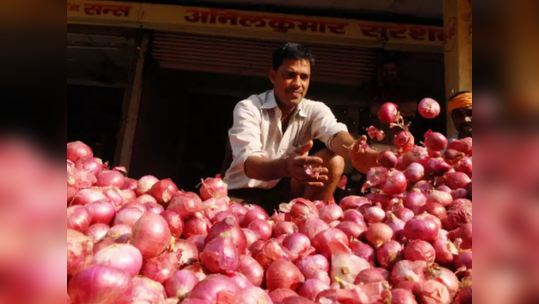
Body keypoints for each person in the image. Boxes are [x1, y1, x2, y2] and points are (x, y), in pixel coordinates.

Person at [222, 43, 379, 213]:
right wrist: (286, 167)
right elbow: (252, 166)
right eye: (290, 75)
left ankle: (310, 224)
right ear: (273, 77)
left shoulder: (315, 110)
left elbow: (335, 133)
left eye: (304, 77)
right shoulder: (248, 107)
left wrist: (354, 150)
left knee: (334, 160)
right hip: (242, 194)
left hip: (287, 193)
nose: (298, 84)